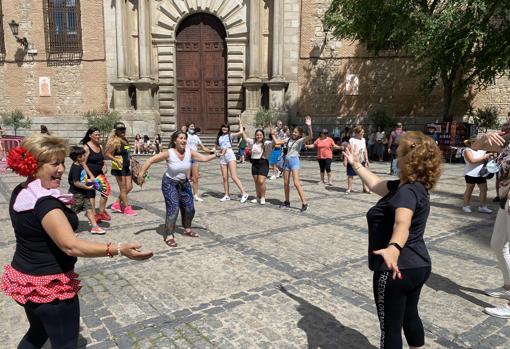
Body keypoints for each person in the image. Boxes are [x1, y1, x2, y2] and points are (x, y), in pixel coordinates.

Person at [0, 133, 153, 349]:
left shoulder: (21, 191)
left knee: (37, 333)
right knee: (66, 343)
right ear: (33, 165)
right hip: (50, 285)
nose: (61, 169)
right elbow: (71, 245)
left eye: (62, 162)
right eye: (54, 164)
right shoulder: (45, 204)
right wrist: (118, 248)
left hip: (26, 279)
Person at [343, 130, 442, 348]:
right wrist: (356, 164)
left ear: (409, 158)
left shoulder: (406, 193)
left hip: (396, 268)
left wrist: (393, 248)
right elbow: (377, 185)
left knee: (390, 329)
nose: (395, 156)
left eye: (398, 152)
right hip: (419, 265)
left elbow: (402, 223)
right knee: (410, 316)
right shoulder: (411, 187)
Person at [139, 131, 218, 247]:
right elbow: (150, 160)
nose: (183, 140)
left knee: (190, 208)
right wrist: (141, 174)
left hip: (184, 183)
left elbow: (205, 158)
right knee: (174, 208)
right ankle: (169, 235)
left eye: (185, 138)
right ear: (175, 141)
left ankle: (187, 229)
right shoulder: (169, 153)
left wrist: (218, 154)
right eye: (181, 138)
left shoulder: (189, 152)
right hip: (169, 183)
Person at [471, 131, 510, 318]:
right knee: (497, 244)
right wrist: (484, 137)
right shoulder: (507, 137)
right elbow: (475, 148)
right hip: (504, 199)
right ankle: (508, 286)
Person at [273, 116, 313, 212]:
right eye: (293, 132)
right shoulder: (288, 140)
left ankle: (305, 203)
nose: (294, 133)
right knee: (286, 183)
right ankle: (287, 202)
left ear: (299, 134)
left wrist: (309, 126)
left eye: (296, 132)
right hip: (286, 162)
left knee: (296, 183)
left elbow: (310, 136)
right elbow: (277, 142)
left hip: (294, 161)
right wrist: (272, 134)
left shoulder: (299, 141)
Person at [68, 146, 106, 234]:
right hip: (76, 193)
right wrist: (87, 187)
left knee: (89, 209)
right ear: (78, 157)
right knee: (74, 212)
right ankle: (68, 229)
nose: (85, 156)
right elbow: (76, 182)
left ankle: (95, 227)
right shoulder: (75, 168)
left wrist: (90, 180)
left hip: (84, 192)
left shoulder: (81, 165)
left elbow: (83, 177)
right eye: (83, 155)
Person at [104, 122, 136, 216]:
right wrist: (115, 160)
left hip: (126, 166)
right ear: (116, 131)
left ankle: (117, 203)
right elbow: (107, 153)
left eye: (123, 129)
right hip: (119, 167)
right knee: (123, 188)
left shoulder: (125, 140)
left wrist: (131, 157)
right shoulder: (115, 142)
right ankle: (127, 208)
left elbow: (126, 150)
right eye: (120, 130)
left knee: (129, 187)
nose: (122, 131)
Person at [216, 118, 250, 203]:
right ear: (221, 128)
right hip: (222, 156)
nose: (224, 129)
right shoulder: (219, 137)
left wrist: (240, 122)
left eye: (226, 128)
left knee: (233, 176)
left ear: (228, 129)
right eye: (223, 127)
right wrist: (215, 151)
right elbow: (216, 147)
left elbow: (241, 132)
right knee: (224, 177)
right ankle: (227, 195)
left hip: (230, 155)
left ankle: (244, 193)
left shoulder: (230, 135)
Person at [80, 127, 110, 223]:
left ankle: (101, 212)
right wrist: (90, 175)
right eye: (96, 135)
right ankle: (94, 215)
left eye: (98, 134)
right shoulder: (86, 147)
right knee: (91, 195)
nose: (98, 136)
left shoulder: (100, 146)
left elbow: (102, 158)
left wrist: (105, 165)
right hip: (90, 175)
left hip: (99, 173)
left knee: (106, 191)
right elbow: (83, 163)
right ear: (90, 136)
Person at [241, 128, 273, 204]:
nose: (259, 136)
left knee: (261, 181)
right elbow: (245, 138)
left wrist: (273, 134)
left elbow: (274, 143)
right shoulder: (253, 142)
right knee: (256, 182)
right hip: (255, 164)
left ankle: (263, 197)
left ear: (263, 136)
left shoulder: (266, 143)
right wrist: (242, 129)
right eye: (257, 135)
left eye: (260, 135)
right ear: (255, 136)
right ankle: (258, 197)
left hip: (263, 163)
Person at [462, 139, 492, 213]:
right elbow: (472, 161)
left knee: (484, 189)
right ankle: (466, 206)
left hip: (481, 173)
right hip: (470, 173)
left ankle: (482, 206)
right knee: (469, 189)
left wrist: (487, 158)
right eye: (474, 142)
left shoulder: (482, 150)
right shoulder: (467, 150)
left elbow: (485, 159)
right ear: (470, 143)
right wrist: (484, 157)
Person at [186, 122, 213, 202]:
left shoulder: (196, 137)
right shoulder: (185, 136)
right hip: (186, 158)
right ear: (187, 127)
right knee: (186, 178)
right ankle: (186, 195)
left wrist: (211, 152)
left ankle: (195, 195)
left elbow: (203, 148)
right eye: (191, 126)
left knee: (195, 178)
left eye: (193, 126)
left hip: (195, 158)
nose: (192, 128)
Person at [345, 126, 370, 193]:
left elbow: (365, 149)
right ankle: (349, 188)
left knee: (363, 174)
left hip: (361, 159)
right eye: (361, 133)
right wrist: (345, 160)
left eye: (363, 133)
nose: (363, 134)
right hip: (353, 159)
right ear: (357, 133)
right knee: (350, 174)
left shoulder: (363, 140)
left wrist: (367, 159)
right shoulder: (352, 140)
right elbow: (347, 149)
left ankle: (365, 188)